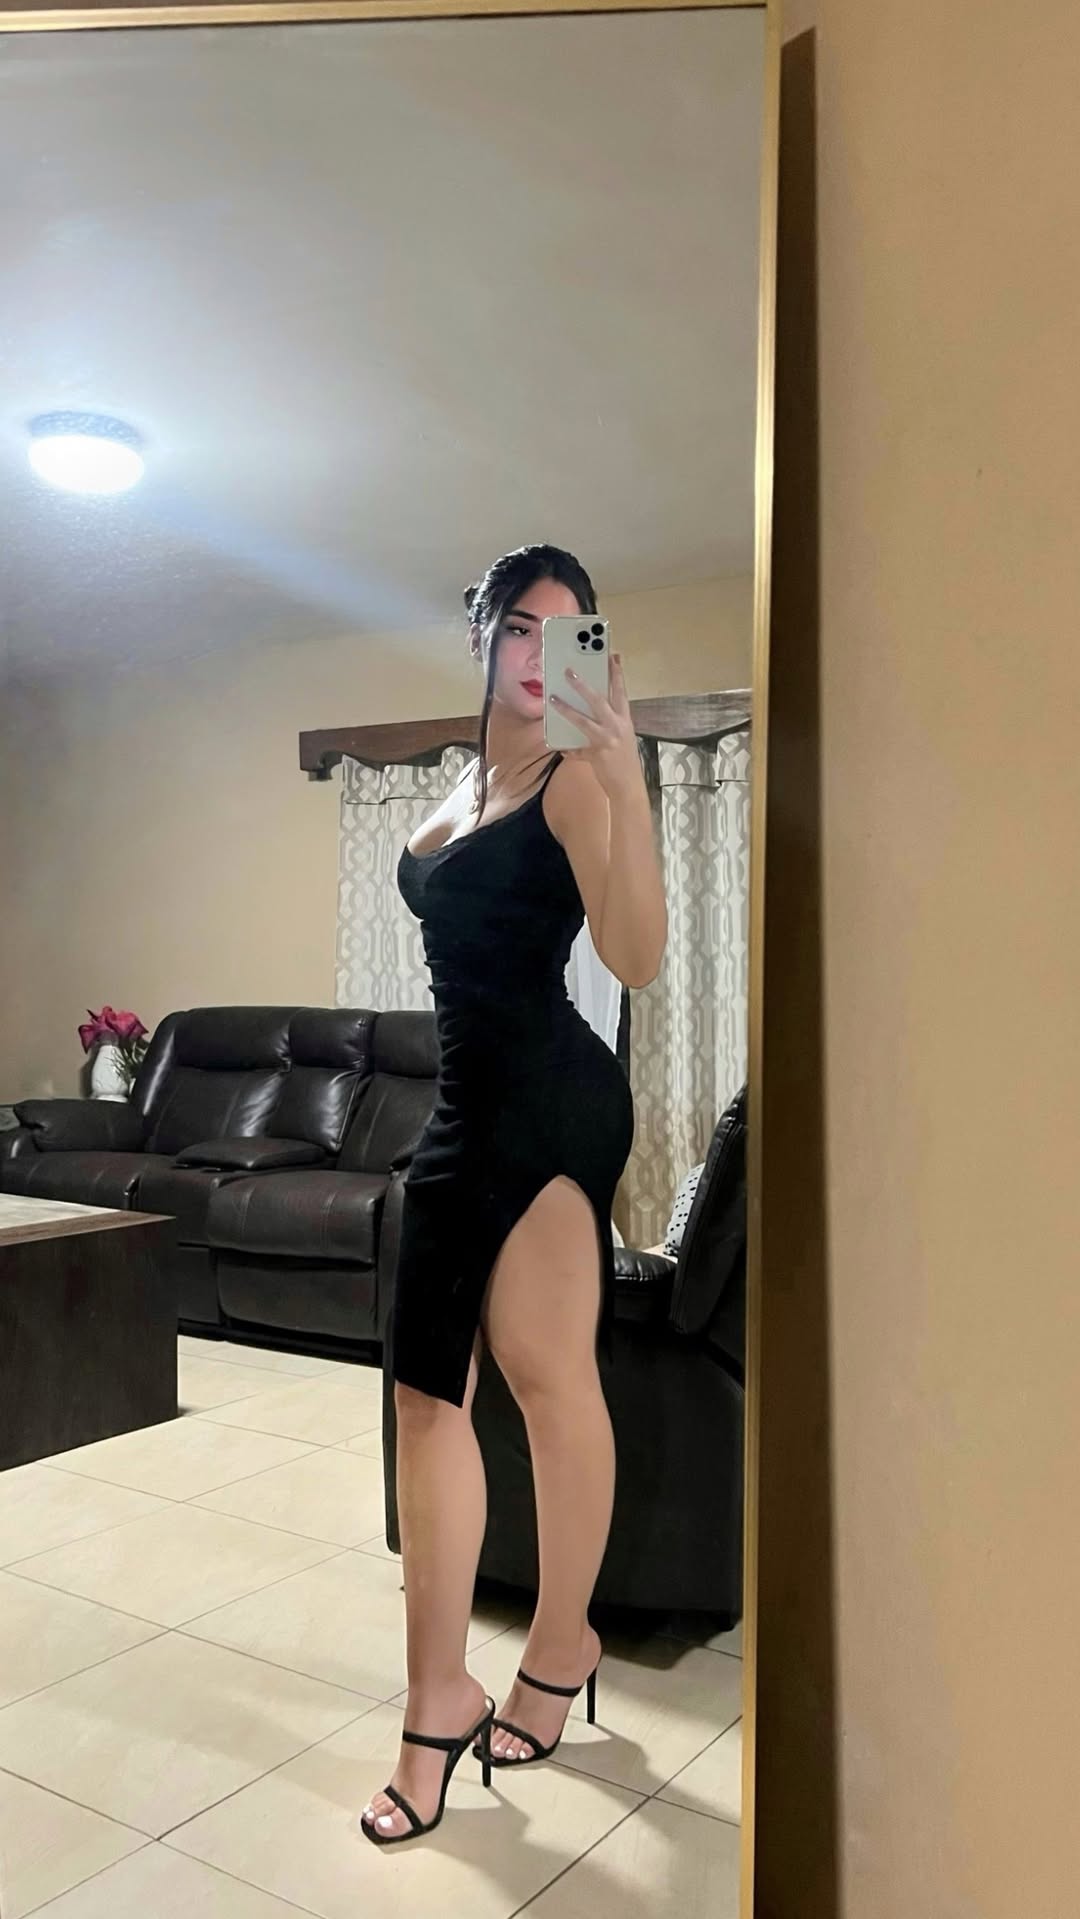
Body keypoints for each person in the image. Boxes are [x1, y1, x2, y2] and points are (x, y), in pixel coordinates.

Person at [361, 543, 667, 1845]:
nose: (546, 655)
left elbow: (636, 957)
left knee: (547, 1383)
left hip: (550, 1102)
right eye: (524, 629)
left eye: (571, 632)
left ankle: (553, 1647)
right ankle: (444, 1685)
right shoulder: (459, 783)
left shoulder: (575, 775)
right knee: (425, 1392)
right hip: (462, 1107)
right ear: (481, 634)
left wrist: (628, 780)